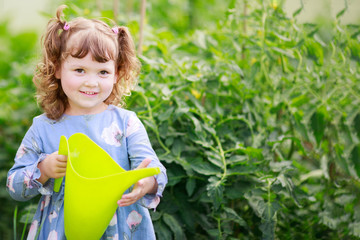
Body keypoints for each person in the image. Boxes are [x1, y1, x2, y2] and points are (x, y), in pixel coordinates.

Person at [6, 5, 167, 240]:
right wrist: (44, 170)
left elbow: (153, 168)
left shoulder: (125, 123)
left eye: (102, 72)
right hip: (62, 229)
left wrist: (145, 182)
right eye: (80, 70)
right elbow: (14, 185)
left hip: (119, 226)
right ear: (58, 68)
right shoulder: (43, 127)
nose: (91, 82)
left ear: (117, 74)